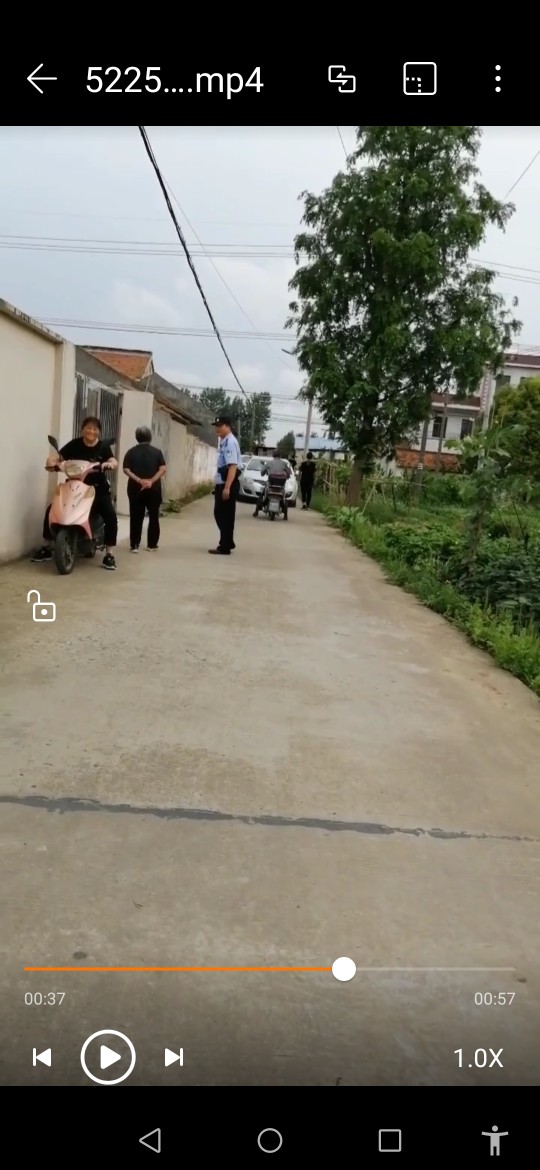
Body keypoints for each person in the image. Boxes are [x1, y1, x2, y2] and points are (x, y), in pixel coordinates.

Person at [31, 417, 119, 570]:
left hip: (97, 488)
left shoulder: (103, 447)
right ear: (83, 429)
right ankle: (46, 547)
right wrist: (53, 462)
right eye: (88, 427)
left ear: (99, 431)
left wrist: (109, 464)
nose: (91, 431)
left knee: (110, 515)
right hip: (75, 486)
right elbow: (59, 457)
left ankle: (109, 554)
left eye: (95, 429)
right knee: (52, 510)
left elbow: (113, 461)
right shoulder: (74, 444)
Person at [122, 427, 167, 552]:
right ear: (150, 437)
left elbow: (126, 469)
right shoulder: (157, 452)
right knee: (154, 516)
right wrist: (151, 481)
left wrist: (139, 480)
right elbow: (163, 469)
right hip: (154, 489)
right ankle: (151, 545)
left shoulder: (131, 452)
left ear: (137, 437)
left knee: (136, 516)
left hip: (135, 489)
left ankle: (134, 545)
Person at [210, 415, 242, 555]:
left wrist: (227, 487)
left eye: (220, 426)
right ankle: (228, 541)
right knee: (221, 514)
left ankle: (225, 546)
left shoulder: (230, 442)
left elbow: (232, 466)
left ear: (228, 426)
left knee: (224, 515)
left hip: (227, 483)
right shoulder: (224, 441)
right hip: (222, 482)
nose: (217, 428)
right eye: (216, 426)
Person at [253, 450, 289, 518]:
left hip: (271, 484)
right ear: (280, 456)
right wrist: (286, 476)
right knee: (284, 497)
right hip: (281, 485)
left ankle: (256, 511)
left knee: (262, 494)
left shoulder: (269, 463)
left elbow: (262, 472)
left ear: (273, 455)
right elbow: (288, 473)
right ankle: (285, 515)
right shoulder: (284, 463)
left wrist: (264, 472)